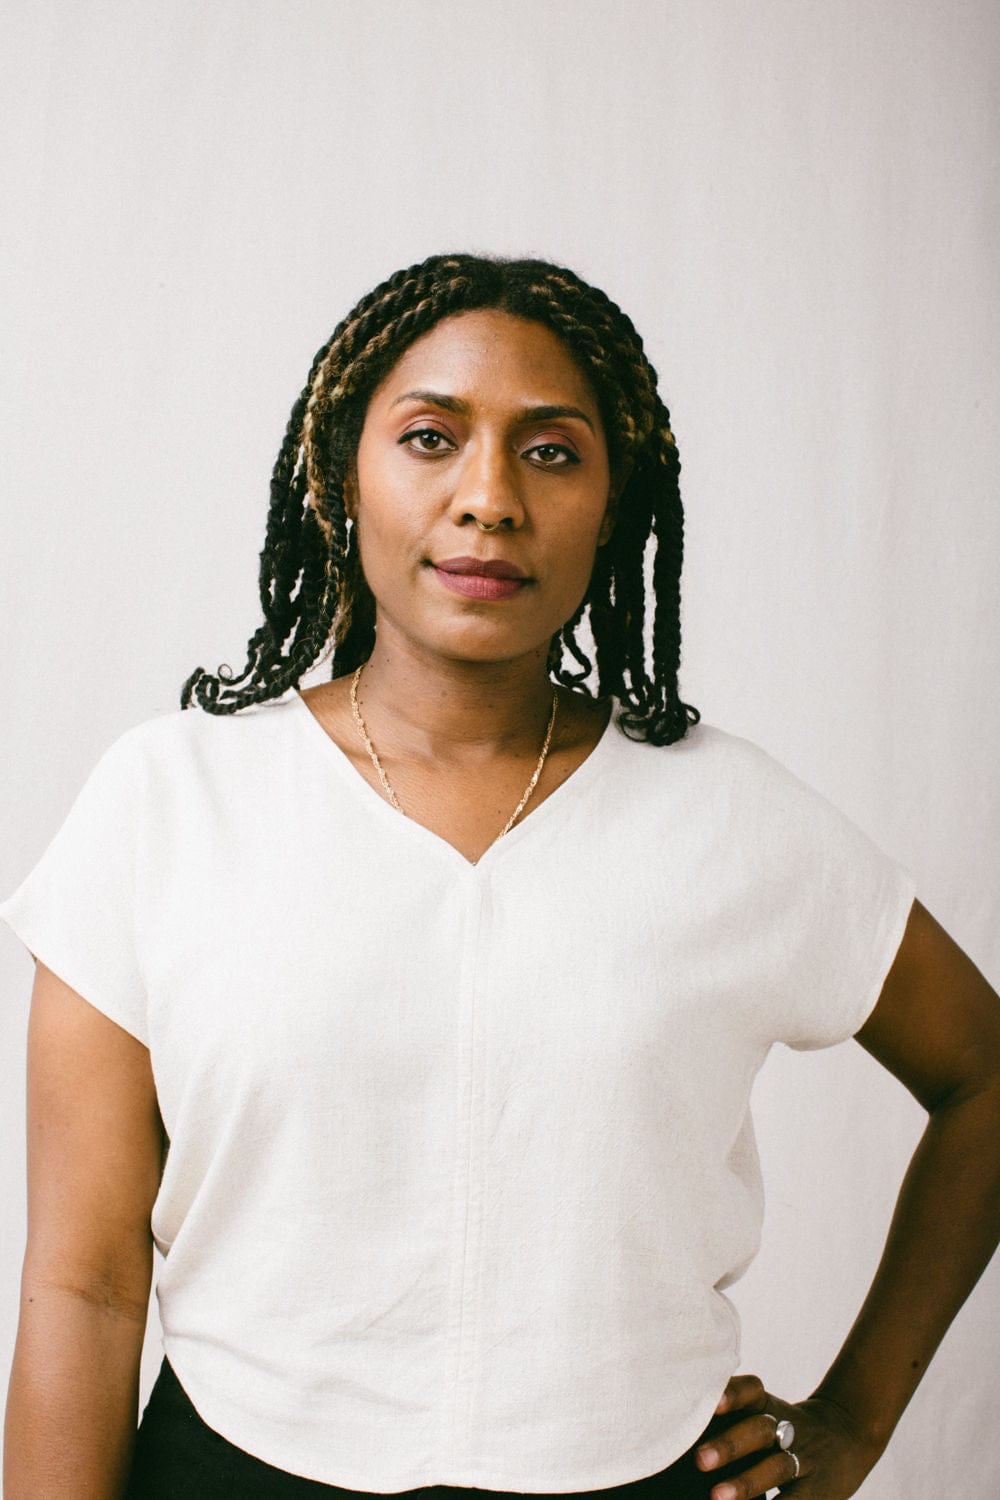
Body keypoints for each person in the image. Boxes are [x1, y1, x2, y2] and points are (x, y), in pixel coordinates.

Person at [2, 251, 998, 1500]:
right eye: (429, 438)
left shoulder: (730, 819)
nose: (488, 499)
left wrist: (852, 1421)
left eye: (551, 451)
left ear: (614, 502)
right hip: (235, 1470)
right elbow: (84, 1286)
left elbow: (984, 1074)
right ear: (340, 478)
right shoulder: (169, 803)